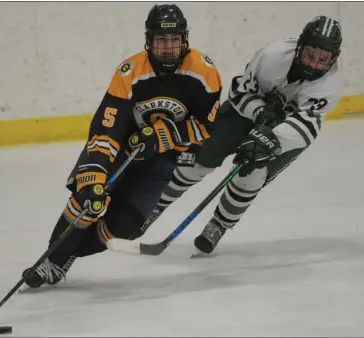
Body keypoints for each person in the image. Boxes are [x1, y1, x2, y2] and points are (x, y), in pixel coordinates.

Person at [22, 4, 222, 288]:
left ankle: (67, 254)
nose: (167, 48)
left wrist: (162, 135)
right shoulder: (130, 71)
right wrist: (97, 170)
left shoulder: (204, 72)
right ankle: (51, 263)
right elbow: (107, 129)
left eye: (174, 40)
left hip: (161, 160)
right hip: (123, 150)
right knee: (87, 199)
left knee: (126, 227)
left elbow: (205, 127)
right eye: (160, 40)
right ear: (148, 40)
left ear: (184, 39)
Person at [141, 15, 343, 254]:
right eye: (310, 54)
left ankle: (219, 224)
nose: (314, 64)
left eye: (323, 59)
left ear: (333, 59)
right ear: (300, 46)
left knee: (252, 173)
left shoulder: (329, 86)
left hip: (285, 129)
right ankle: (155, 206)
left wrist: (269, 139)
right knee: (200, 155)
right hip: (244, 113)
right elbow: (239, 92)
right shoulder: (272, 56)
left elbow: (307, 127)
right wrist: (260, 112)